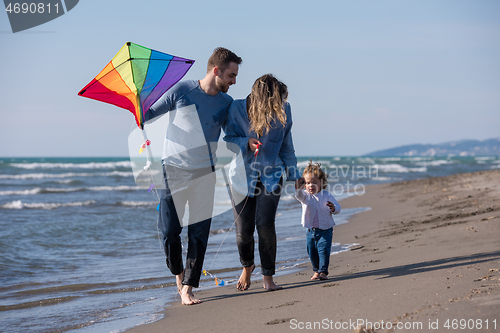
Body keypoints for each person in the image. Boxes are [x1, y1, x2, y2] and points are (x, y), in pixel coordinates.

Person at [143, 47, 242, 305]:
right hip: (172, 171)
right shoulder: (181, 91)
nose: (234, 81)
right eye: (231, 75)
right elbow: (148, 115)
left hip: (204, 173)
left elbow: (232, 135)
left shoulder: (226, 103)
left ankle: (188, 286)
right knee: (169, 231)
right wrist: (137, 106)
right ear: (216, 70)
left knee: (199, 232)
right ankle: (178, 273)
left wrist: (248, 141)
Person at [224, 74, 301, 291]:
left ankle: (268, 278)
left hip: (272, 175)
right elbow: (228, 140)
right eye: (276, 99)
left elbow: (287, 146)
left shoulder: (284, 111)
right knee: (243, 231)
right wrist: (245, 142)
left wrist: (294, 174)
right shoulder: (236, 109)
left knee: (265, 225)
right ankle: (247, 267)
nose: (281, 104)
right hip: (240, 176)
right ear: (263, 98)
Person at [295, 161, 341, 280]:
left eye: (314, 183)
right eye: (308, 183)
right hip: (310, 230)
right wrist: (297, 188)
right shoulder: (305, 196)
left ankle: (323, 272)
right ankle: (316, 270)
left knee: (323, 250)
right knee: (311, 251)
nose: (311, 185)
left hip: (325, 229)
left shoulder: (327, 195)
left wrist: (333, 208)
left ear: (322, 183)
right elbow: (299, 196)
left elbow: (338, 208)